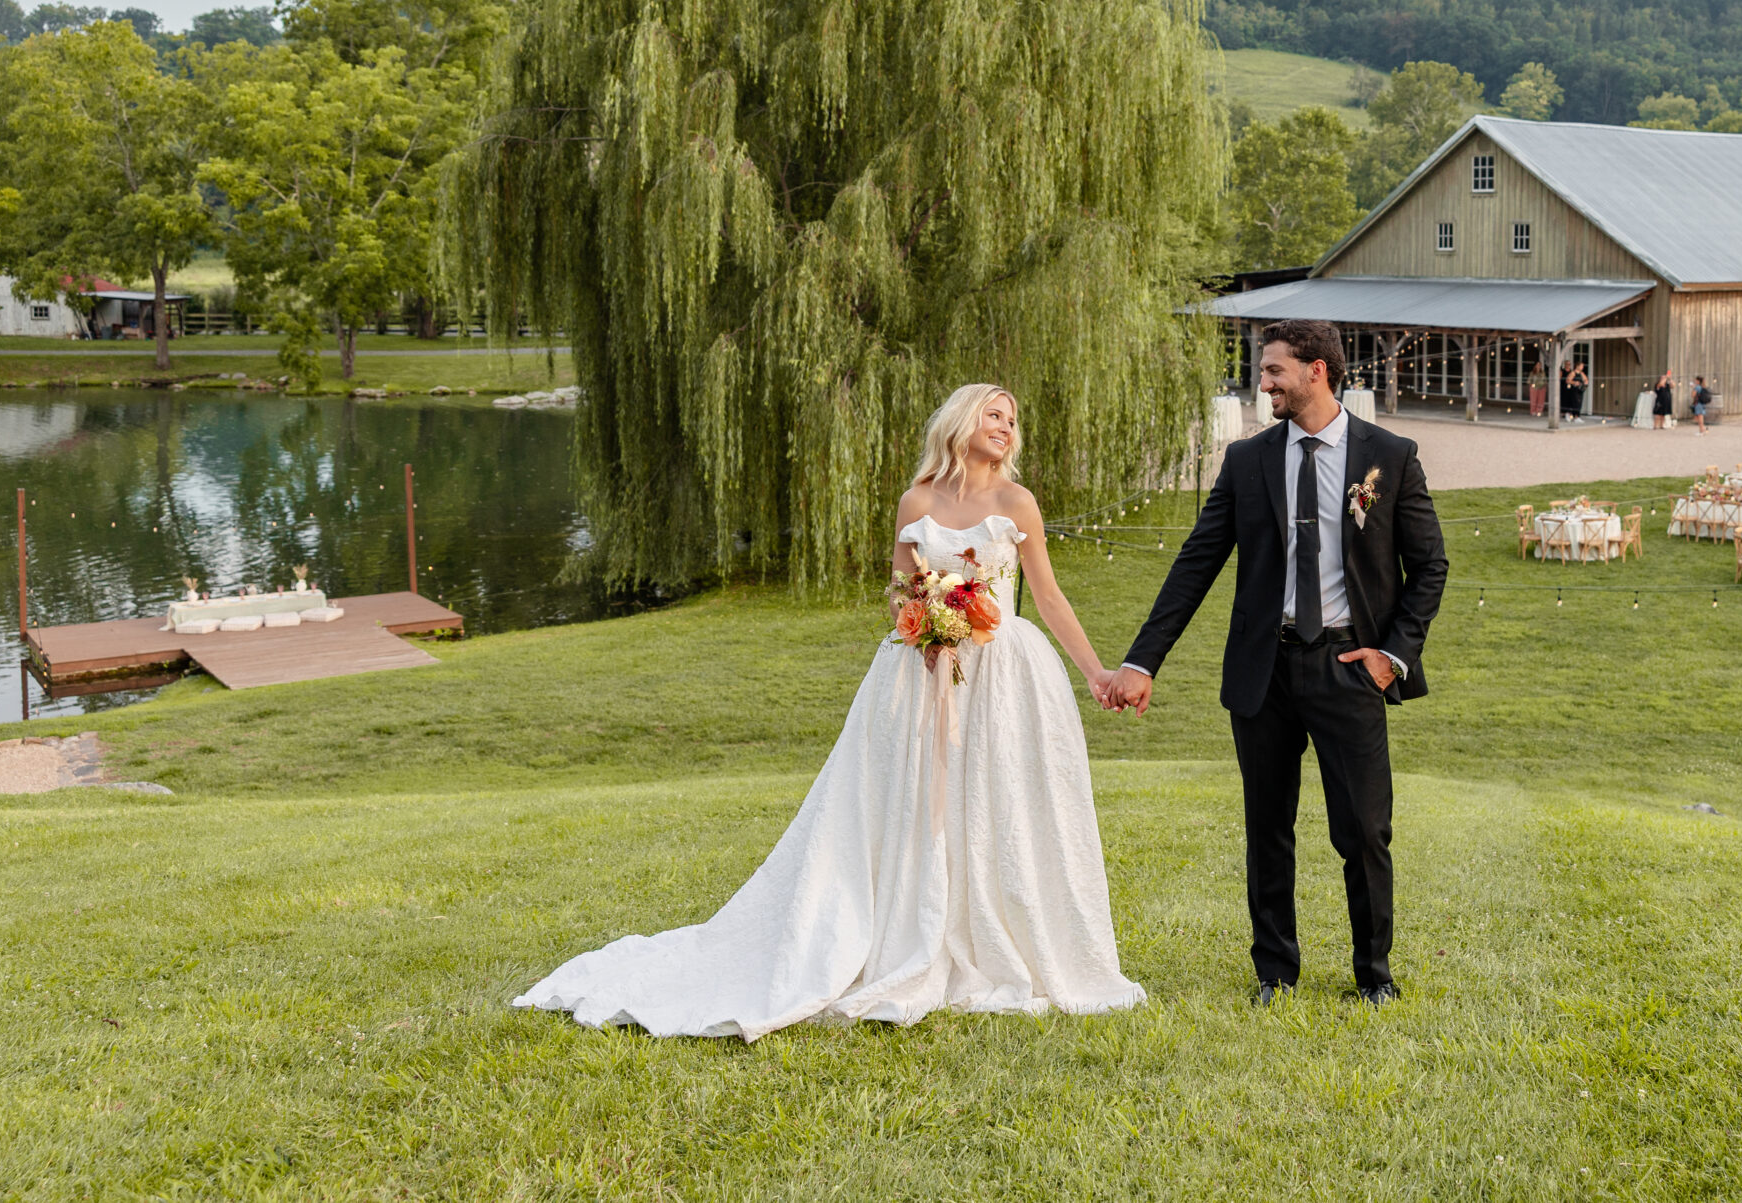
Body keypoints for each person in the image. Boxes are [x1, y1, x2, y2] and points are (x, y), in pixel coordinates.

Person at [514, 384, 1144, 1039]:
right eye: (994, 414)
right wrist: (927, 630)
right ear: (961, 419)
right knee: (912, 800)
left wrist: (1096, 670)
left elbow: (1048, 596)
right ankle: (906, 927)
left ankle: (993, 932)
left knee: (993, 798)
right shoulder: (918, 500)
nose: (1006, 427)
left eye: (1012, 420)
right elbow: (900, 591)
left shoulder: (1018, 503)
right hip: (920, 671)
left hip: (1001, 673)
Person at [1106, 319, 1447, 1007]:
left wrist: (1391, 656)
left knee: (1363, 830)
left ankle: (1374, 976)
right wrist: (1144, 660)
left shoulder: (1389, 456)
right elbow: (1196, 564)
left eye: (1273, 371)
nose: (1262, 384)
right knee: (1268, 827)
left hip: (1349, 666)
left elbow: (1430, 566)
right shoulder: (1247, 460)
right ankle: (1275, 975)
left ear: (1316, 370)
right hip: (1264, 671)